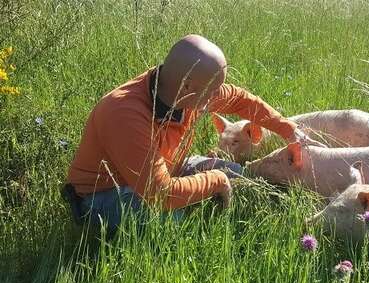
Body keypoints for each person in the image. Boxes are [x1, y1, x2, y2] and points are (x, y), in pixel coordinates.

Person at [62, 34, 324, 236]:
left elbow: (242, 100)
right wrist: (214, 181)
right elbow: (159, 194)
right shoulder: (124, 113)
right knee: (170, 222)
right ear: (187, 86)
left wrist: (289, 130)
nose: (217, 96)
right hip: (104, 196)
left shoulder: (187, 90)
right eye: (214, 90)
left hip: (166, 170)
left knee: (241, 176)